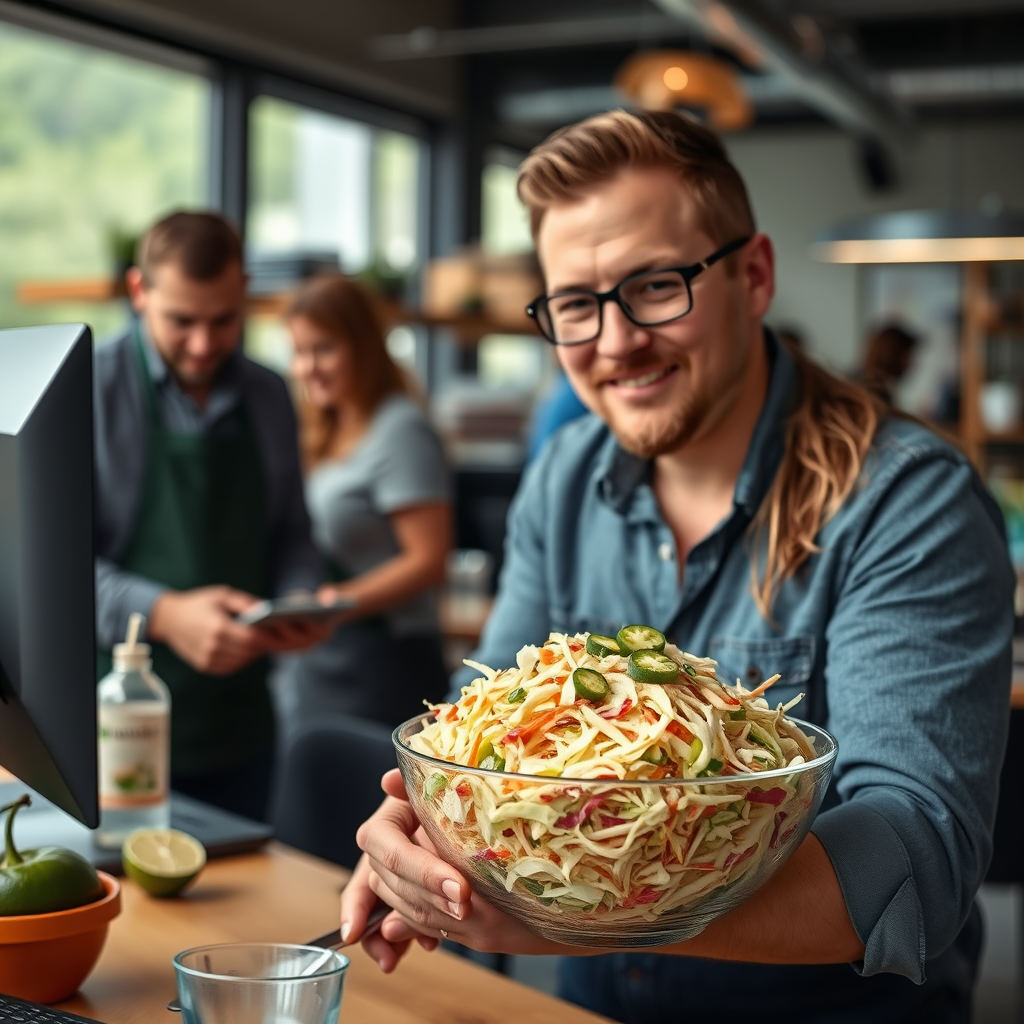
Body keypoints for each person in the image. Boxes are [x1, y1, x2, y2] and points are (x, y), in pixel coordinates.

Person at [337, 111, 1013, 1023]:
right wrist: (415, 838)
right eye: (575, 303)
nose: (615, 343)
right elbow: (477, 745)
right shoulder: (564, 477)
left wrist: (578, 919)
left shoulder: (907, 501)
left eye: (656, 285)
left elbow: (914, 861)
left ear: (755, 275)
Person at [94, 210, 331, 821]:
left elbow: (292, 535)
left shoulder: (271, 394)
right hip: (113, 726)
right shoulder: (87, 388)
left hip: (242, 723)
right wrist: (165, 615)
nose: (203, 344)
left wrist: (298, 597)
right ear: (139, 292)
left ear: (245, 293)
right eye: (181, 321)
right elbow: (45, 571)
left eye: (223, 321)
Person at [283, 274, 452, 729]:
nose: (307, 367)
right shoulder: (323, 429)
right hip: (325, 660)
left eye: (323, 348)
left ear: (363, 345)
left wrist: (336, 601)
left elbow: (429, 560)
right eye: (299, 352)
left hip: (386, 663)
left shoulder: (401, 432)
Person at [856, 321, 919, 405]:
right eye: (908, 357)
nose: (911, 365)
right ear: (893, 356)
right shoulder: (873, 394)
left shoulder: (859, 382)